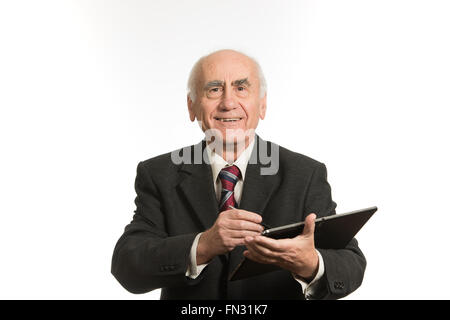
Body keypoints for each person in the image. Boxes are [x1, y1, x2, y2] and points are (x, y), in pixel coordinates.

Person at [111, 49, 366, 299]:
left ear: (262, 105)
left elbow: (351, 264)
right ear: (192, 107)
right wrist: (202, 245)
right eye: (214, 89)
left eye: (241, 88)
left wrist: (311, 264)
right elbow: (127, 265)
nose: (228, 103)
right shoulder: (158, 174)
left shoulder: (305, 174)